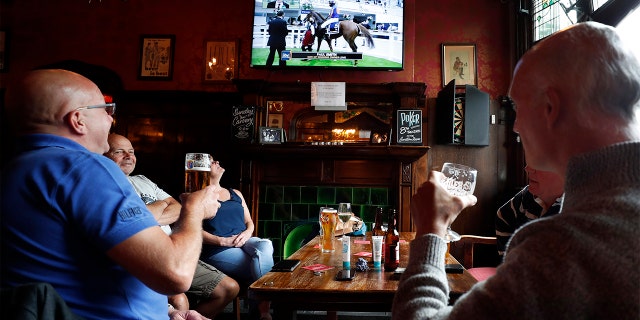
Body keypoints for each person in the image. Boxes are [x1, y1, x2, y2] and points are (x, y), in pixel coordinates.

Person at [392, 21, 640, 319]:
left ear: (551, 107)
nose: (517, 127)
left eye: (518, 110)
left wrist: (431, 229)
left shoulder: (559, 249)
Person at [0, 69, 220, 320]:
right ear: (78, 120)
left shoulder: (17, 169)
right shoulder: (83, 167)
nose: (110, 119)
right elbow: (176, 274)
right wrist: (194, 209)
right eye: (105, 109)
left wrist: (167, 311)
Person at [105, 133, 240, 318]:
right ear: (104, 155)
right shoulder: (107, 185)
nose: (128, 156)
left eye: (131, 151)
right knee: (178, 298)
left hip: (174, 246)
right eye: (119, 152)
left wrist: (147, 214)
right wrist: (161, 206)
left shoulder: (142, 180)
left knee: (229, 289)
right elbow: (129, 223)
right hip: (148, 254)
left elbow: (178, 208)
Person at [200, 158, 275, 320]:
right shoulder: (199, 196)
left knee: (266, 245)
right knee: (256, 266)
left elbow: (249, 222)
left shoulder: (236, 193)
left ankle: (261, 310)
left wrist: (247, 233)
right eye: (211, 161)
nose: (217, 162)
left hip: (243, 241)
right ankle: (264, 311)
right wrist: (222, 241)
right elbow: (194, 231)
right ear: (203, 169)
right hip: (218, 249)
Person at [495, 165, 564, 256]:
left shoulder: (578, 206)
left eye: (540, 162)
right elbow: (503, 216)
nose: (527, 168)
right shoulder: (527, 197)